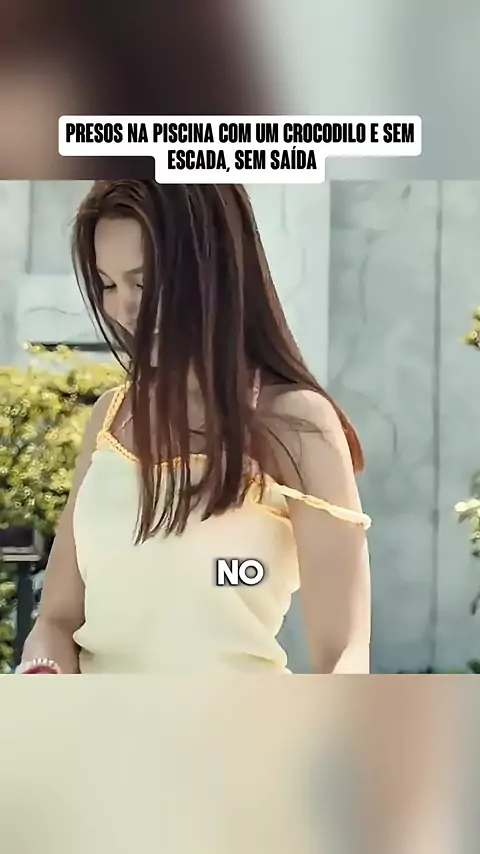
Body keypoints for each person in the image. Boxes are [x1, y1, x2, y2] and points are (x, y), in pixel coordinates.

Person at [19, 180, 371, 675]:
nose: (124, 309)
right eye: (108, 285)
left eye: (144, 283)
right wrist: (40, 673)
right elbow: (56, 620)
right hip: (97, 724)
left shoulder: (298, 424)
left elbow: (344, 654)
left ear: (216, 271)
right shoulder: (110, 418)